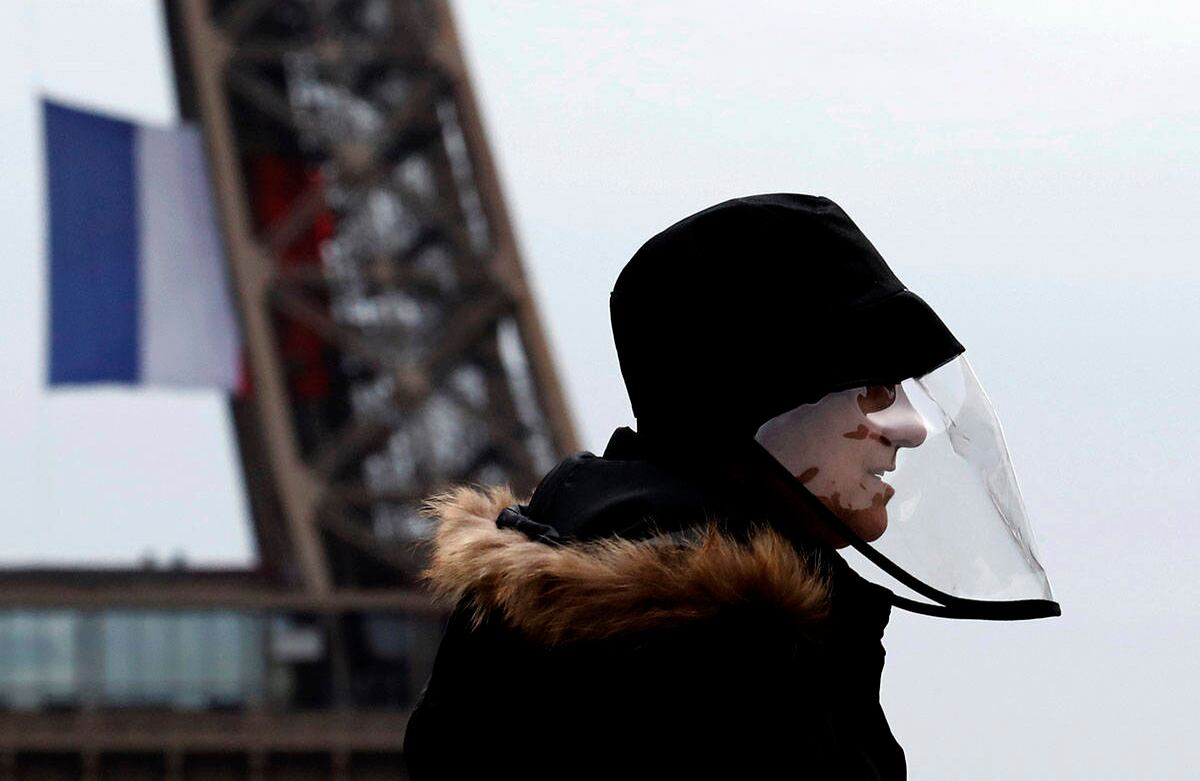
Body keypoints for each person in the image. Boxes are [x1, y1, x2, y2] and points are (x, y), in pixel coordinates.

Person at [403, 194, 1058, 779]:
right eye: (872, 387)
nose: (910, 427)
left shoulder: (604, 628)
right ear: (754, 405)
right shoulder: (727, 665)